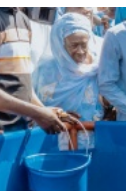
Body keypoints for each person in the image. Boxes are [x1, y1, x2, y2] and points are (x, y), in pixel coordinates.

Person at [0, 7, 66, 134]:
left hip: (20, 127)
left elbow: (22, 84)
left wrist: (43, 111)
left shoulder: (22, 19)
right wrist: (36, 112)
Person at [33, 13, 104, 149]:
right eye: (74, 45)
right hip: (52, 141)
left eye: (84, 44)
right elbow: (37, 105)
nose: (80, 51)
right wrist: (60, 114)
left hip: (92, 140)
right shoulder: (46, 70)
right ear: (60, 44)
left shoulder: (97, 67)